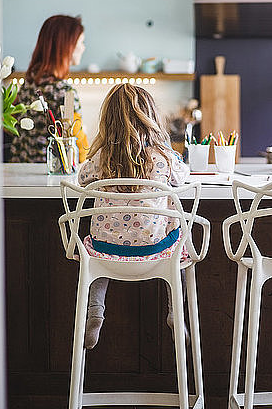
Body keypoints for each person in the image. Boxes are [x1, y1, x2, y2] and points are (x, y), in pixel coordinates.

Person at [78, 83, 189, 349]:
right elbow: (183, 177)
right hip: (157, 248)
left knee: (95, 253)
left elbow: (82, 180)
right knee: (181, 246)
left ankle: (96, 311)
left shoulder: (101, 158)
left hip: (107, 248)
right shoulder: (163, 156)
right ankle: (176, 310)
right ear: (150, 118)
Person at [9, 14, 88, 163]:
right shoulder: (65, 92)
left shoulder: (28, 84)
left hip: (20, 169)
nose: (84, 47)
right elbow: (77, 140)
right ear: (67, 46)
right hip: (50, 175)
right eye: (81, 42)